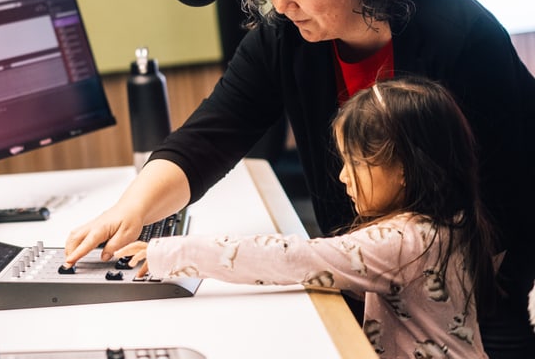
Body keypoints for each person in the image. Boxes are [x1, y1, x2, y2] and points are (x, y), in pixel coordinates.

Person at [63, 0, 535, 357]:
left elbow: (506, 193)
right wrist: (130, 210)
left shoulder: (460, 37)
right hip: (369, 276)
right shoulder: (285, 37)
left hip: (485, 278)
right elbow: (211, 134)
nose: (283, 5)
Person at [116, 77, 497, 358]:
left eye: (357, 163)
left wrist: (173, 254)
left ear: (404, 169)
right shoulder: (451, 218)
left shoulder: (403, 242)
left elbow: (296, 257)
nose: (343, 176)